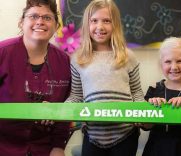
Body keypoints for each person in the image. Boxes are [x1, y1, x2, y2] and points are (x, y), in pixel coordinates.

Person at [65, 0, 144, 156]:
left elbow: (137, 93)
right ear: (87, 24)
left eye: (106, 21)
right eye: (94, 21)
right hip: (92, 136)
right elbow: (76, 96)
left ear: (115, 25)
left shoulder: (128, 56)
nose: (100, 27)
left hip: (126, 134)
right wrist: (59, 111)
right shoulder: (78, 59)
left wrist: (141, 114)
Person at [0, 0, 71, 155]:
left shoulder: (65, 61)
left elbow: (67, 107)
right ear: (21, 23)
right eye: (33, 16)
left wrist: (58, 147)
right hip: (4, 146)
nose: (40, 22)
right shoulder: (2, 52)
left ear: (56, 26)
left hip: (44, 148)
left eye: (47, 18)